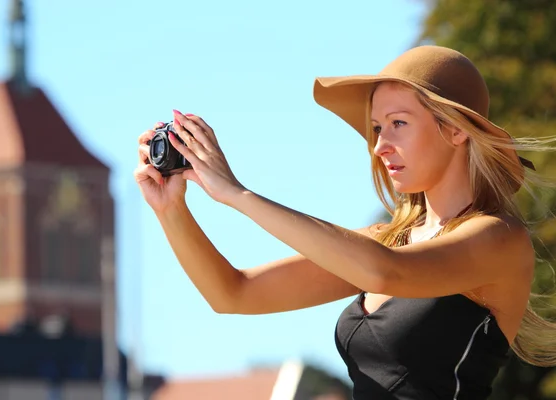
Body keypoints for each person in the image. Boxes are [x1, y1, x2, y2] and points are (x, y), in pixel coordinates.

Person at [134, 45, 556, 399]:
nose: (380, 146)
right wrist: (171, 210)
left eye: (398, 124)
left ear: (456, 130)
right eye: (376, 128)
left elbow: (384, 272)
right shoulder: (389, 241)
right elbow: (233, 294)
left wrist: (238, 195)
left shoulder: (498, 239)